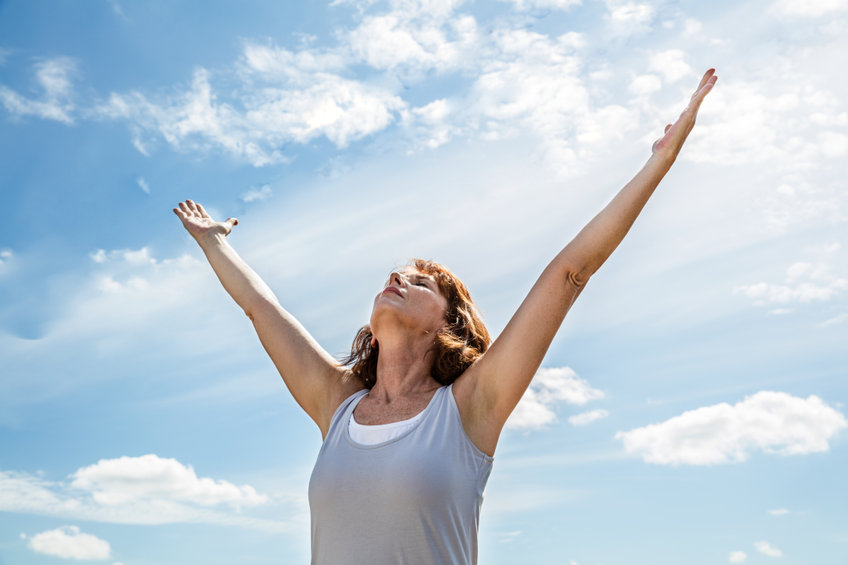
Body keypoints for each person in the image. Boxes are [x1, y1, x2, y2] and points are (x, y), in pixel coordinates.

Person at [174, 69, 718, 565]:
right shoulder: (336, 403)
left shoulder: (469, 409)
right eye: (396, 274)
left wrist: (659, 162)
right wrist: (215, 244)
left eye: (421, 281)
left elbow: (570, 272)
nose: (399, 279)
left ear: (447, 323)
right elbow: (260, 308)